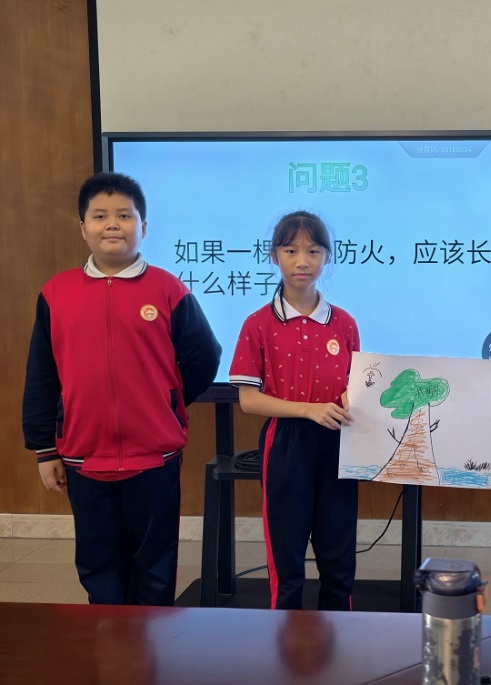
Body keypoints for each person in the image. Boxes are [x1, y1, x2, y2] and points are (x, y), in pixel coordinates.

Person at [22, 172, 221, 606]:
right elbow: (41, 375)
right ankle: (108, 640)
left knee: (154, 566)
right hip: (83, 456)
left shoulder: (169, 289)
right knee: (99, 565)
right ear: (83, 227)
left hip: (154, 457)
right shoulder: (57, 293)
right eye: (99, 216)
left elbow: (205, 358)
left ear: (143, 226)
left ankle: (154, 642)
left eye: (124, 215)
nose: (112, 224)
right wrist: (45, 450)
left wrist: (162, 402)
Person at [229, 210, 359, 611]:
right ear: (274, 256)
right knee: (286, 558)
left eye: (313, 251)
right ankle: (285, 640)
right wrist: (307, 410)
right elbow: (249, 400)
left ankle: (340, 638)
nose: (302, 261)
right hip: (285, 445)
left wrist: (352, 401)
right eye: (290, 251)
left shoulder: (344, 324)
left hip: (339, 444)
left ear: (326, 257)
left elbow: (357, 387)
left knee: (338, 555)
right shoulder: (257, 324)